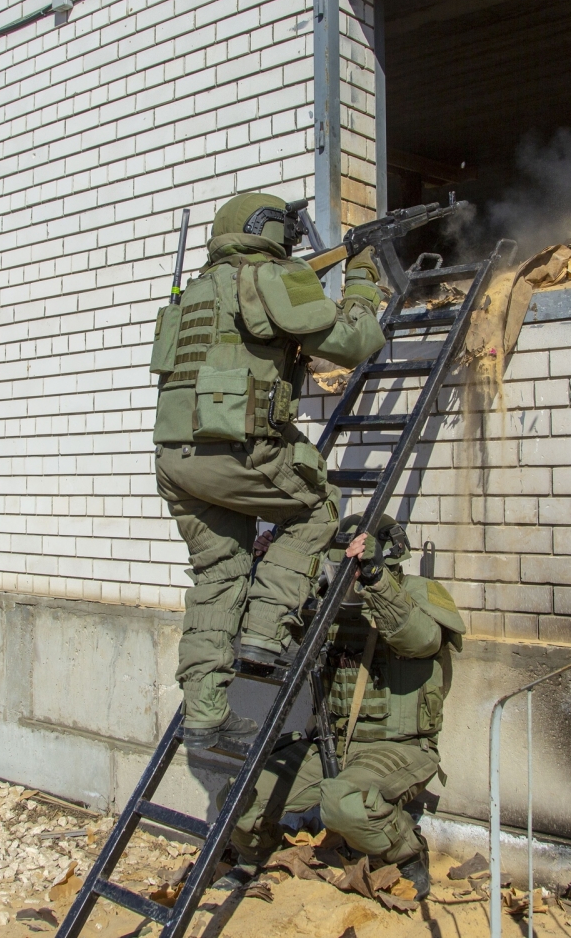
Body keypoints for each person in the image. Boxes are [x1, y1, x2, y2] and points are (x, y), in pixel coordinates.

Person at [150, 192, 385, 752]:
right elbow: (354, 342)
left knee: (218, 572)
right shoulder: (266, 275)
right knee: (317, 506)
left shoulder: (196, 290)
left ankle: (206, 711)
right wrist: (362, 275)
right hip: (238, 454)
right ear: (267, 230)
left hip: (176, 463)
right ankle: (262, 634)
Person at [224, 514, 466, 899]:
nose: (346, 573)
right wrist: (267, 571)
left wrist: (375, 579)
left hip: (398, 747)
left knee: (343, 803)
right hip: (331, 746)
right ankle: (252, 858)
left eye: (354, 564)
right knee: (241, 795)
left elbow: (420, 641)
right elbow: (271, 635)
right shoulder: (327, 602)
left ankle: (408, 854)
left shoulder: (417, 592)